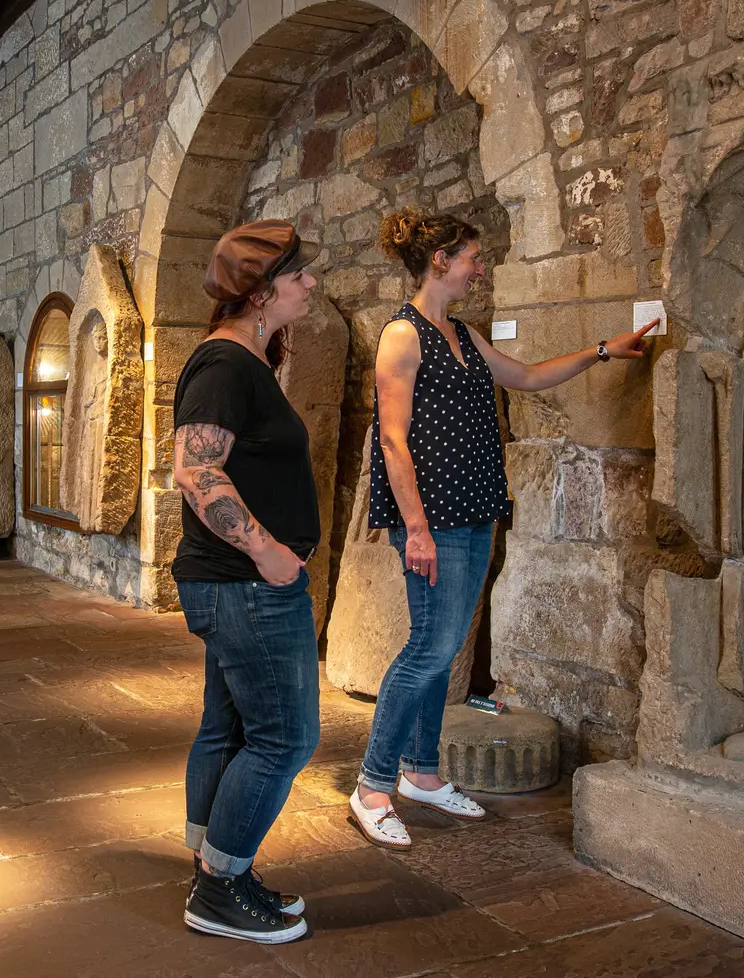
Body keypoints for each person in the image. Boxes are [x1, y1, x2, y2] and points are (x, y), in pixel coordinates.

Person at [349, 207, 657, 850]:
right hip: (431, 518)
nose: (479, 266)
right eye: (471, 256)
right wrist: (417, 529)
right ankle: (373, 785)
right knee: (429, 649)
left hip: (474, 508)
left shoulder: (459, 332)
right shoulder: (401, 335)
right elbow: (394, 440)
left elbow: (528, 376)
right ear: (441, 261)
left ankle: (422, 774)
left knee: (445, 649)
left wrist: (606, 350)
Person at [172, 220, 322, 944]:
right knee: (285, 738)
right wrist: (268, 554)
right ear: (261, 292)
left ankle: (217, 862)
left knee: (230, 727)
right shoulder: (226, 366)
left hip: (239, 584)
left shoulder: (244, 360)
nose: (310, 284)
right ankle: (219, 888)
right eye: (299, 276)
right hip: (248, 585)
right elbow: (196, 469)